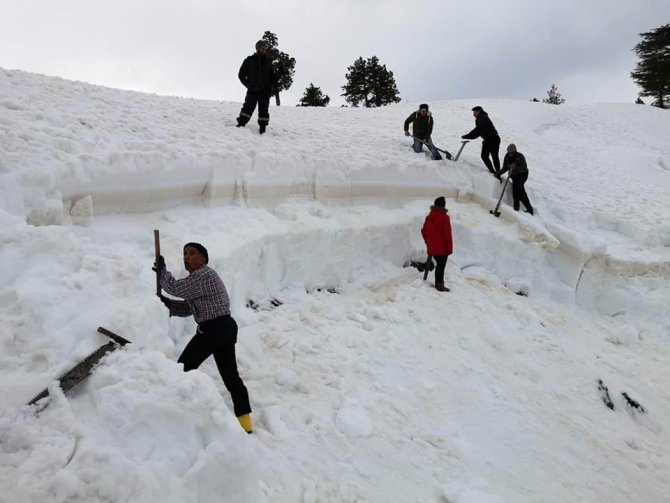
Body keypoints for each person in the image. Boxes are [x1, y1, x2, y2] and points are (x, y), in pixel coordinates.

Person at [153, 242, 253, 434]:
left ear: (203, 259)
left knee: (183, 368)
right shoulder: (198, 283)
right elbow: (186, 309)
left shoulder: (204, 274)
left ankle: (177, 411)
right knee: (231, 377)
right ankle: (245, 423)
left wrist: (162, 272)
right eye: (184, 253)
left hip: (214, 328)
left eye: (191, 253)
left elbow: (174, 288)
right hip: (224, 327)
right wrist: (165, 304)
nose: (186, 257)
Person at [236, 40, 274, 134]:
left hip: (265, 91)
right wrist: (248, 85)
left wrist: (270, 88)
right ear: (257, 48)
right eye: (262, 48)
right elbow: (241, 75)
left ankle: (263, 129)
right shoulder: (249, 60)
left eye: (265, 49)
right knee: (248, 107)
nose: (264, 50)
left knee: (264, 110)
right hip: (253, 90)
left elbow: (273, 78)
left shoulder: (268, 63)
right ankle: (241, 124)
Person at [421, 196, 453, 292]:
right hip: (442, 249)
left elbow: (423, 231)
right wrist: (449, 249)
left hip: (432, 248)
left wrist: (428, 242)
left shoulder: (429, 217)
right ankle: (439, 285)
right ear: (443, 206)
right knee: (440, 267)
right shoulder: (444, 218)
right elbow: (447, 235)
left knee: (439, 265)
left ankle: (435, 282)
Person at [461, 106, 502, 179]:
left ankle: (498, 174)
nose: (473, 114)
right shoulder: (478, 120)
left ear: (478, 111)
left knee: (494, 157)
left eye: (474, 112)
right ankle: (492, 172)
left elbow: (478, 129)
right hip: (487, 140)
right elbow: (478, 132)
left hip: (493, 139)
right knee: (484, 156)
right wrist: (468, 136)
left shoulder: (483, 117)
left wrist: (468, 135)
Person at [500, 143, 533, 215]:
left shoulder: (520, 156)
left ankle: (516, 208)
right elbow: (505, 167)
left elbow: (524, 168)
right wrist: (499, 173)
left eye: (511, 152)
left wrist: (516, 168)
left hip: (522, 175)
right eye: (509, 152)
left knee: (516, 191)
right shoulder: (507, 156)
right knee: (521, 193)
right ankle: (530, 210)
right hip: (514, 176)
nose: (510, 154)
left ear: (515, 151)